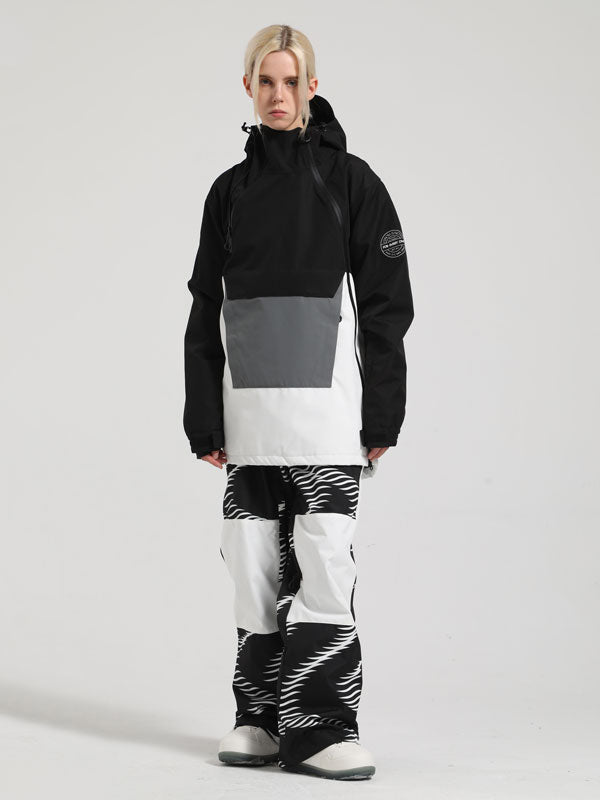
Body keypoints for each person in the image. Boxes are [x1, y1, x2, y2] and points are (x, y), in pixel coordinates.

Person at [183, 24, 414, 781]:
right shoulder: (229, 192)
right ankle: (258, 716)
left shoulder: (353, 183)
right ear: (248, 88)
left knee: (323, 564)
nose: (278, 96)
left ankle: (319, 726)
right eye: (265, 82)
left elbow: (386, 304)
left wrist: (383, 412)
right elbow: (204, 307)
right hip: (246, 417)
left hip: (327, 419)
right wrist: (201, 415)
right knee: (251, 564)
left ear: (312, 86)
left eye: (291, 82)